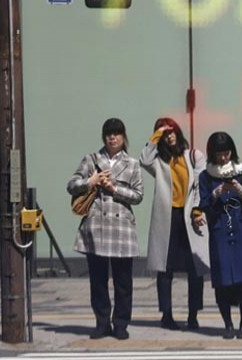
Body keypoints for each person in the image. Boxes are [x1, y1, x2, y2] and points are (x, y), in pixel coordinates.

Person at [66, 118, 144, 340]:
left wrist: (114, 188)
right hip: (96, 227)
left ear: (123, 137)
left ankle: (121, 323)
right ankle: (101, 322)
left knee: (123, 282)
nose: (113, 137)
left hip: (121, 228)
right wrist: (91, 181)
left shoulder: (132, 163)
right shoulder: (91, 159)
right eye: (109, 134)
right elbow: (71, 185)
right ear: (104, 137)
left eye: (117, 133)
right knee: (98, 281)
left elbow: (138, 196)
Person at [139, 117, 209, 330]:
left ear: (178, 133)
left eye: (171, 131)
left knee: (194, 269)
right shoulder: (159, 161)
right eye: (164, 133)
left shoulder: (193, 156)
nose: (169, 136)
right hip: (167, 217)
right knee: (165, 270)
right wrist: (155, 136)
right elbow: (143, 160)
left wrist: (198, 209)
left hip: (188, 217)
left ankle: (193, 315)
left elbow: (200, 184)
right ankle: (166, 315)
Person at [197, 132, 242, 339]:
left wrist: (240, 190)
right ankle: (227, 324)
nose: (223, 158)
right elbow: (204, 204)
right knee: (222, 282)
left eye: (226, 153)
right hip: (220, 234)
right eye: (218, 154)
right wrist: (216, 193)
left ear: (231, 152)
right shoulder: (206, 176)